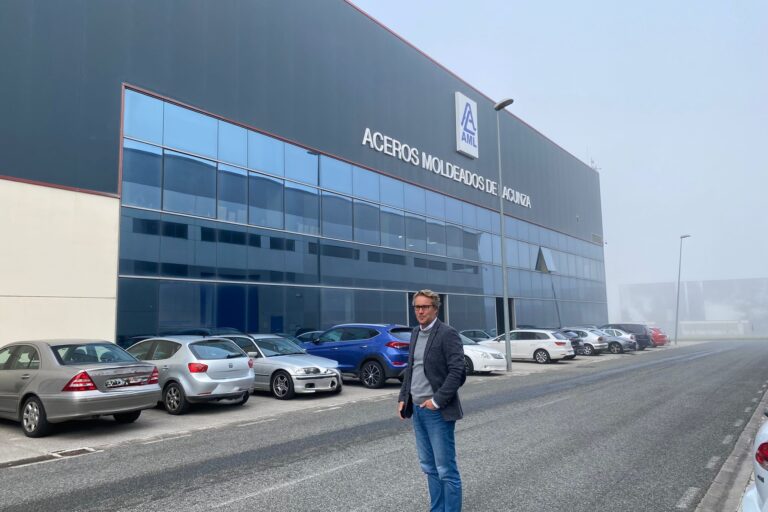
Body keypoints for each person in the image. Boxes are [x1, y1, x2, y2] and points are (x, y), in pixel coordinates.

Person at [398, 289, 466, 512]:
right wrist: (403, 397)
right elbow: (411, 368)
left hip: (437, 411)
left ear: (435, 309)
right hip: (417, 410)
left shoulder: (447, 334)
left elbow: (458, 372)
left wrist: (436, 401)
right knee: (429, 467)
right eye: (417, 307)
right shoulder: (415, 333)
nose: (420, 311)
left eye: (425, 307)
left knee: (446, 470)